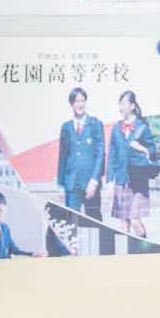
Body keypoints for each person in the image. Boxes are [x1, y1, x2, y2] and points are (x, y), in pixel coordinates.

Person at [107, 90, 155, 238]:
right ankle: (127, 251)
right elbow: (111, 157)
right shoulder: (116, 128)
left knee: (134, 220)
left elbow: (152, 150)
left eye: (124, 104)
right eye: (120, 104)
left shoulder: (142, 127)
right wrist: (109, 182)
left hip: (138, 179)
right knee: (124, 222)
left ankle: (144, 245)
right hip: (121, 179)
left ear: (132, 106)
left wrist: (141, 148)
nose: (121, 107)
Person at [56, 87, 104, 220]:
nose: (80, 104)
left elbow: (100, 154)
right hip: (71, 183)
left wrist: (94, 180)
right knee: (71, 221)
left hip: (90, 183)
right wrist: (60, 184)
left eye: (82, 101)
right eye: (77, 101)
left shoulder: (95, 124)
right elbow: (63, 157)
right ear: (72, 104)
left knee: (95, 221)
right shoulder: (66, 127)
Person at [0, 191, 46, 258]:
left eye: (3, 205)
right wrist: (12, 257)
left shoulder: (5, 228)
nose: (1, 209)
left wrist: (33, 255)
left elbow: (14, 250)